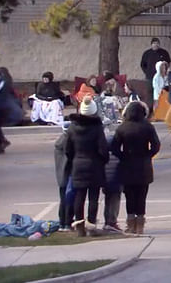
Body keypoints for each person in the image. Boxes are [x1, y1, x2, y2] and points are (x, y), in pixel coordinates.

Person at [111, 101, 160, 235]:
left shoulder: (122, 128)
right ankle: (140, 224)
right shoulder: (148, 127)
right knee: (141, 196)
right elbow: (156, 145)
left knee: (130, 196)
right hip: (144, 165)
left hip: (127, 164)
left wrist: (122, 156)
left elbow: (114, 147)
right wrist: (148, 155)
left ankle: (130, 223)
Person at [66, 96, 109, 237]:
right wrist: (103, 160)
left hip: (78, 164)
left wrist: (74, 160)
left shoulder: (72, 127)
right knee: (93, 197)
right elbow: (103, 149)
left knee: (79, 196)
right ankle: (91, 226)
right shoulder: (97, 127)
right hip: (94, 165)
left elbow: (68, 149)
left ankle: (79, 227)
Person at [140, 38, 171, 108]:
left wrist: (165, 72)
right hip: (150, 77)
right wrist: (147, 72)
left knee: (162, 93)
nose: (155, 45)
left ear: (159, 44)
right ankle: (150, 108)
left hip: (162, 78)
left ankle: (163, 108)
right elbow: (142, 65)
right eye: (154, 43)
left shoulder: (164, 53)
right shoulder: (147, 53)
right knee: (150, 93)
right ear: (151, 45)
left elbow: (168, 63)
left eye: (157, 43)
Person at [102, 131, 123, 233]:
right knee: (114, 203)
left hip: (106, 182)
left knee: (107, 202)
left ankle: (107, 221)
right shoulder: (118, 156)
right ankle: (111, 222)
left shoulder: (103, 157)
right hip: (116, 182)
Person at [0, 67, 21, 154]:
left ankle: (2, 142)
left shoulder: (4, 83)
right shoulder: (6, 83)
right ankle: (1, 144)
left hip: (2, 108)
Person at [54, 130, 73, 231]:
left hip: (61, 178)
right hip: (68, 176)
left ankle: (62, 222)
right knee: (69, 199)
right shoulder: (66, 143)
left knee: (63, 199)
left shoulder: (58, 145)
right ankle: (67, 223)